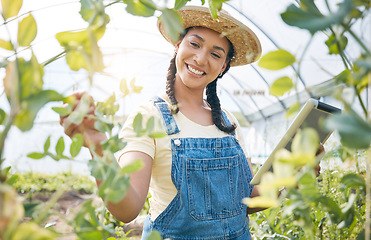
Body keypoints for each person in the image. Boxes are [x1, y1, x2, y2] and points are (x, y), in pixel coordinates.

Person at [62, 5, 264, 239]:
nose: (200, 58)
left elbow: (248, 201)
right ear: (178, 45)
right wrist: (98, 147)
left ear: (223, 67)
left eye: (216, 54)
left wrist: (293, 175)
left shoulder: (229, 123)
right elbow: (127, 210)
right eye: (194, 44)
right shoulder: (148, 117)